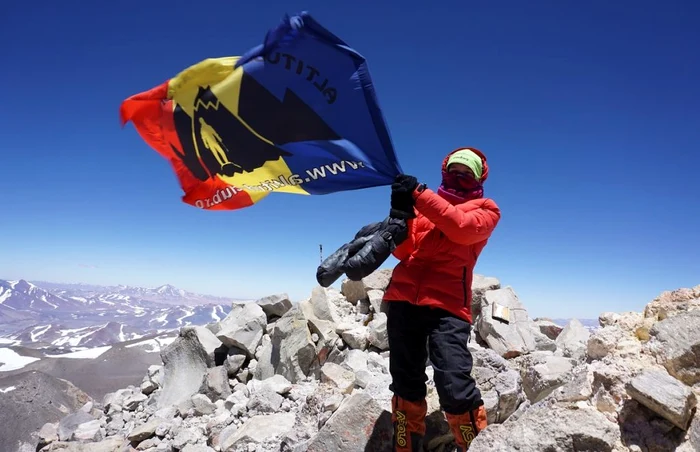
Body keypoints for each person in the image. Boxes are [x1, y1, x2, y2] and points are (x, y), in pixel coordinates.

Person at [382, 147, 501, 451]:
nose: (459, 176)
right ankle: (405, 444)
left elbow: (460, 228)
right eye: (454, 171)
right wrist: (401, 214)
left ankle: (473, 444)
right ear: (445, 173)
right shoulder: (421, 207)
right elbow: (403, 251)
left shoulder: (486, 210)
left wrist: (419, 194)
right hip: (403, 300)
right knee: (405, 381)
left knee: (453, 384)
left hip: (448, 307)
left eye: (467, 172)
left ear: (478, 177)